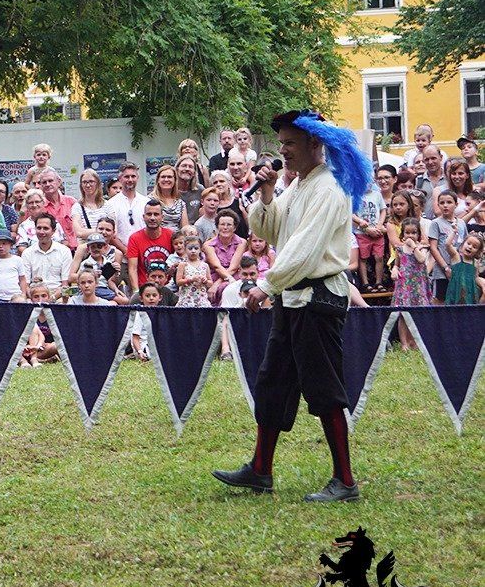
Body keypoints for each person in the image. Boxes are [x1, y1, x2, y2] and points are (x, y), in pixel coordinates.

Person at [214, 110, 368, 503]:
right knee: (273, 384)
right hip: (293, 299)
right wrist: (266, 195)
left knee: (324, 390)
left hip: (318, 300)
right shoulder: (298, 186)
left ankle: (345, 481)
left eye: (289, 144)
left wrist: (265, 285)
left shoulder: (330, 189)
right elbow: (266, 231)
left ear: (314, 145)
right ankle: (260, 470)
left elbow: (303, 250)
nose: (282, 151)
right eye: (280, 144)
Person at [21, 213, 74, 298]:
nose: (41, 232)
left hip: (57, 295)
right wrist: (35, 299)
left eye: (45, 228)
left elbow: (65, 285)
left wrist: (52, 298)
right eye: (39, 228)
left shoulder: (64, 251)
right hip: (34, 294)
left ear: (53, 231)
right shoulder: (27, 253)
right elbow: (25, 285)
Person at [125, 202, 176, 290]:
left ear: (162, 217)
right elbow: (132, 269)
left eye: (156, 214)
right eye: (149, 214)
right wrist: (136, 292)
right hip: (145, 289)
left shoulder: (171, 235)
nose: (152, 218)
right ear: (143, 217)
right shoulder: (135, 238)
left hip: (169, 289)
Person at [0, 229, 28, 301]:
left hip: (15, 296)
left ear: (11, 245)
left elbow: (22, 278)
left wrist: (23, 294)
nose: (1, 246)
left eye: (4, 243)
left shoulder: (18, 260)